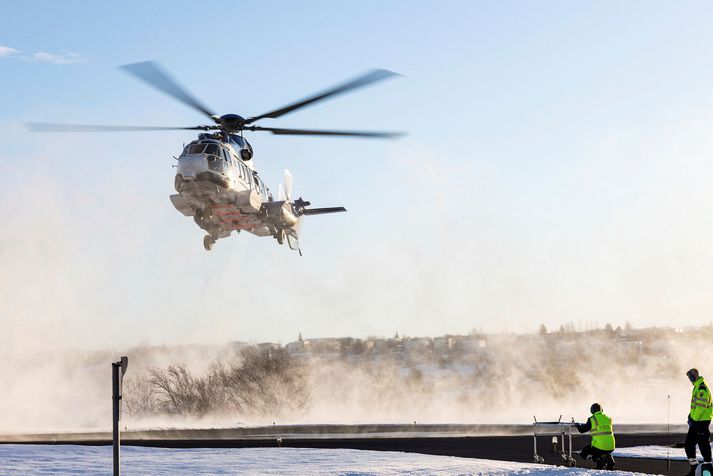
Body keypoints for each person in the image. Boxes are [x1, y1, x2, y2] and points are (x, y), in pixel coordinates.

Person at [685, 368, 713, 476]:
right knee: (689, 444)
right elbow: (695, 407)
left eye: (690, 377)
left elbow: (701, 408)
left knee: (703, 445)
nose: (689, 380)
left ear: (694, 376)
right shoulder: (697, 386)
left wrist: (693, 419)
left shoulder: (702, 388)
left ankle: (708, 471)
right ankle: (694, 468)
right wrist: (690, 416)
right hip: (695, 421)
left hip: (701, 422)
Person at [575, 403, 616, 470]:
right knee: (600, 451)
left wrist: (578, 425)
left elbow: (582, 430)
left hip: (600, 446)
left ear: (592, 411)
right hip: (611, 446)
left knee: (584, 453)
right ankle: (608, 459)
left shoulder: (592, 419)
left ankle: (599, 460)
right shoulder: (609, 418)